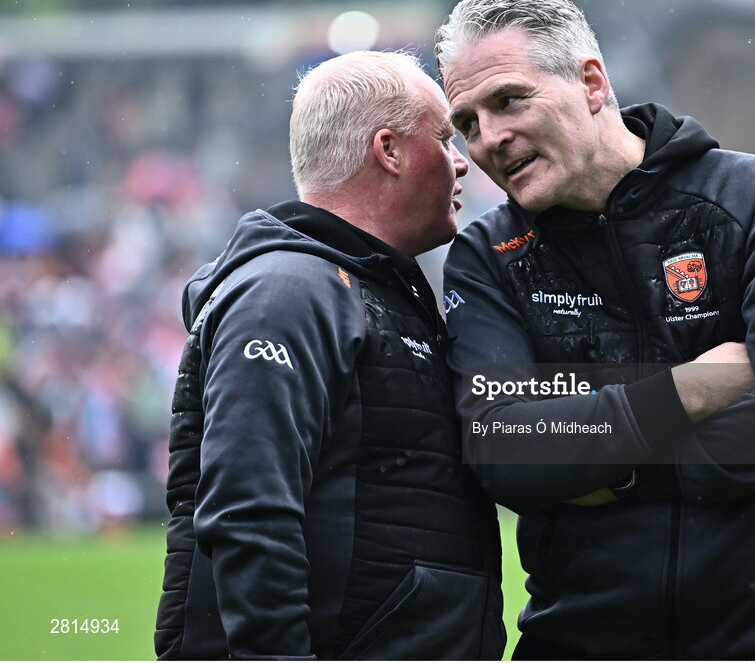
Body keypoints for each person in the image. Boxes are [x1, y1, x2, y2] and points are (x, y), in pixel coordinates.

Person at [434, 0, 755, 660]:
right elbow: (502, 448)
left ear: (592, 83)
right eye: (468, 122)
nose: (490, 138)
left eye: (509, 100)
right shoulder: (488, 260)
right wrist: (689, 390)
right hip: (575, 644)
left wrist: (606, 459)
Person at [154, 51, 504, 660]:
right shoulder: (288, 291)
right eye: (446, 138)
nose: (461, 162)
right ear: (389, 150)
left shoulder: (368, 290)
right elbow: (249, 512)